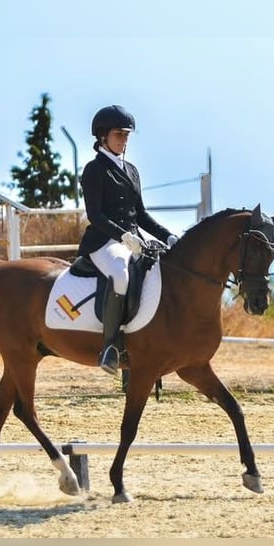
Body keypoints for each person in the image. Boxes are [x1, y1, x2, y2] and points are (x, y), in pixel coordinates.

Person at [77, 104, 178, 375]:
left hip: (134, 240)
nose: (123, 140)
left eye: (126, 135)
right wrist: (122, 236)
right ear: (102, 137)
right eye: (119, 134)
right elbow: (95, 215)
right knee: (121, 277)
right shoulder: (94, 170)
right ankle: (110, 347)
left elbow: (141, 214)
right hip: (103, 243)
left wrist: (167, 236)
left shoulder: (132, 170)